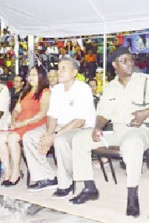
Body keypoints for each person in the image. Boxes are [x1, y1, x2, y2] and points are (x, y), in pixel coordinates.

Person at [70, 47, 149, 217]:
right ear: (114, 65)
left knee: (131, 143)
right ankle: (89, 188)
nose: (129, 63)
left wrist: (146, 113)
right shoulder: (110, 87)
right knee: (80, 138)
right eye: (123, 60)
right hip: (117, 130)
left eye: (130, 59)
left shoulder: (145, 80)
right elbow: (103, 113)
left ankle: (132, 196)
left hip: (139, 130)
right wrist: (98, 127)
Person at [37, 57, 95, 197]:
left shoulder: (83, 89)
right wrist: (49, 134)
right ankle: (47, 176)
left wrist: (54, 135)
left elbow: (80, 121)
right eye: (59, 68)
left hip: (82, 128)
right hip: (60, 127)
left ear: (74, 72)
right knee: (30, 138)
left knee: (60, 140)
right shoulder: (56, 89)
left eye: (64, 68)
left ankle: (66, 183)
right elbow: (51, 115)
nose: (59, 71)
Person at [0, 66, 50, 187]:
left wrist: (23, 123)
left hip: (34, 124)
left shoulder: (45, 92)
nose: (31, 77)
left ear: (42, 76)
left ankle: (16, 172)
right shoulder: (25, 92)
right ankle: (8, 171)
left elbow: (43, 113)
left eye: (35, 74)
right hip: (20, 123)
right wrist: (13, 119)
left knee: (12, 138)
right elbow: (16, 109)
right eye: (30, 74)